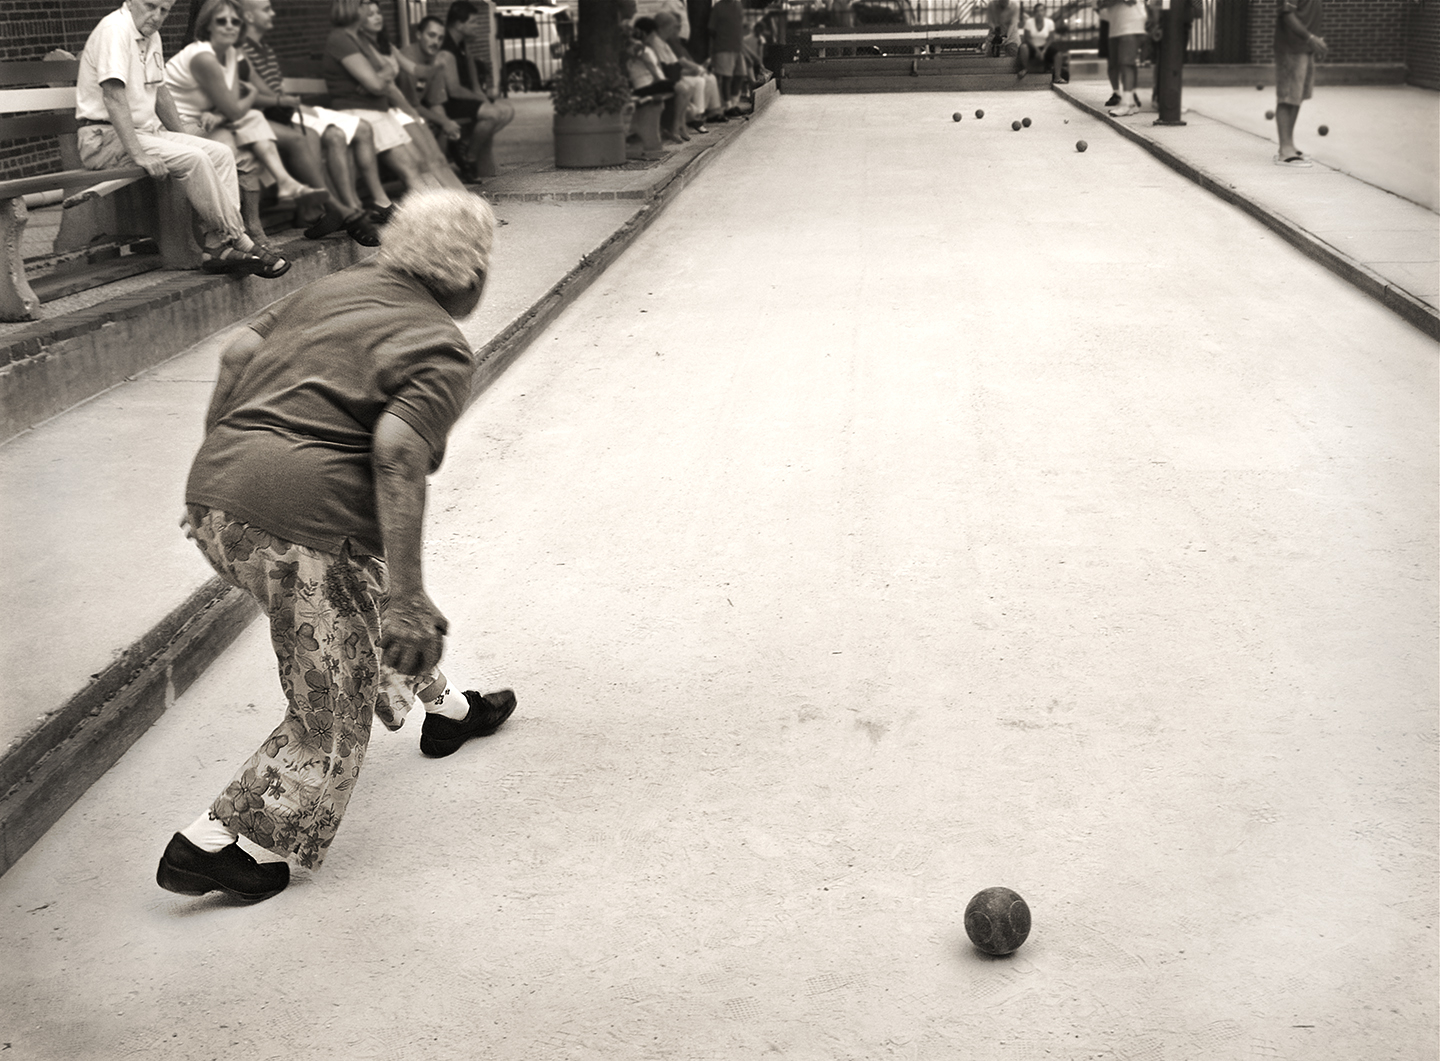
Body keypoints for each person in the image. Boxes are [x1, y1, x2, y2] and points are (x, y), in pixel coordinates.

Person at [155, 190, 518, 904]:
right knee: (335, 693)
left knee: (358, 600)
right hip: (302, 526)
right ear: (470, 276)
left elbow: (236, 356)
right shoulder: (441, 345)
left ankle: (446, 715)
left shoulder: (336, 286)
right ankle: (208, 844)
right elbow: (397, 455)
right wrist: (413, 596)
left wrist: (221, 473)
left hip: (219, 503)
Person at [75, 0, 287, 278]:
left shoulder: (151, 36)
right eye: (151, 6)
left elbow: (161, 93)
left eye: (164, 10)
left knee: (218, 152)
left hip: (141, 133)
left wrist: (183, 136)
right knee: (195, 158)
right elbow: (113, 96)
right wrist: (138, 153)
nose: (157, 17)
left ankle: (217, 247)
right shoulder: (116, 30)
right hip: (104, 138)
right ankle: (240, 241)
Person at [165, 0, 328, 250]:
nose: (231, 26)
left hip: (210, 124)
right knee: (250, 134)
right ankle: (239, 229)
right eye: (223, 20)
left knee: (252, 138)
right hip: (181, 129)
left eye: (235, 20)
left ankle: (253, 226)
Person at [239, 0, 381, 246]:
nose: (273, 13)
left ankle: (345, 209)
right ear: (248, 16)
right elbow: (257, 97)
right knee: (318, 134)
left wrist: (288, 102)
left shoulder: (263, 49)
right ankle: (325, 210)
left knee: (342, 134)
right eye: (266, 9)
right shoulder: (240, 50)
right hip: (266, 114)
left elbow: (271, 91)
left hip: (283, 110)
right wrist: (286, 102)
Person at [323, 0, 454, 205]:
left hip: (378, 109)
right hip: (363, 111)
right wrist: (382, 76)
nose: (373, 12)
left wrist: (378, 78)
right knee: (411, 168)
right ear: (354, 8)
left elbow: (383, 79)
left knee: (420, 163)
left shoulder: (361, 40)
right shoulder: (341, 39)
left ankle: (444, 209)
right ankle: (436, 213)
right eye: (365, 5)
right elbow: (380, 82)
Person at [431, 1, 516, 182]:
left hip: (462, 98)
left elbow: (471, 70)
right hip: (446, 103)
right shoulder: (446, 49)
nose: (476, 26)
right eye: (473, 22)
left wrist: (480, 93)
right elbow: (453, 90)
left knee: (507, 110)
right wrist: (478, 98)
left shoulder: (462, 43)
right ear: (459, 25)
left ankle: (464, 144)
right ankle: (469, 159)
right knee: (492, 114)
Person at [1272, 0, 1327, 166]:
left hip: (1305, 48)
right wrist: (1310, 38)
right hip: (1291, 48)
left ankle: (1289, 145)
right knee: (1287, 97)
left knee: (1297, 97)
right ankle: (1285, 150)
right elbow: (1288, 15)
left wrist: (1314, 41)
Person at [655, 10, 724, 130]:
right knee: (699, 81)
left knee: (708, 78)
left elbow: (678, 63)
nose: (678, 30)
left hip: (676, 74)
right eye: (675, 27)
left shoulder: (673, 42)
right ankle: (696, 117)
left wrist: (699, 68)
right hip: (673, 76)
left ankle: (709, 112)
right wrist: (697, 69)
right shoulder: (666, 42)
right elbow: (677, 64)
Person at [633, 18, 695, 143]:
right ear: (645, 33)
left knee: (687, 87)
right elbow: (655, 73)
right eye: (652, 34)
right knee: (682, 88)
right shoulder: (640, 48)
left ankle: (680, 123)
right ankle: (675, 128)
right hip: (644, 86)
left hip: (651, 83)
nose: (654, 37)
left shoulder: (647, 47)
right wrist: (665, 82)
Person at [1098, 0, 1146, 115]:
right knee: (1117, 63)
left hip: (1131, 25)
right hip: (1115, 27)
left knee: (1126, 64)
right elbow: (1100, 4)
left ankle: (1126, 104)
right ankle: (1131, 102)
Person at [707, 0, 746, 117]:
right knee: (726, 77)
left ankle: (734, 104)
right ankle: (727, 106)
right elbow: (711, 28)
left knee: (740, 75)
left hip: (737, 47)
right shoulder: (718, 7)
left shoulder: (738, 4)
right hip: (723, 47)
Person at [1017, 2, 1054, 80]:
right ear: (1034, 13)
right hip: (1031, 47)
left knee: (1052, 51)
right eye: (1037, 11)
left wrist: (1043, 51)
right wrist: (1037, 50)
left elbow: (1051, 39)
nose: (1040, 13)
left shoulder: (1049, 23)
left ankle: (1041, 69)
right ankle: (1026, 68)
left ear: (1044, 12)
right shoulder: (1029, 22)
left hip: (1043, 47)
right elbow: (1027, 38)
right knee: (1023, 47)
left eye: (1041, 10)